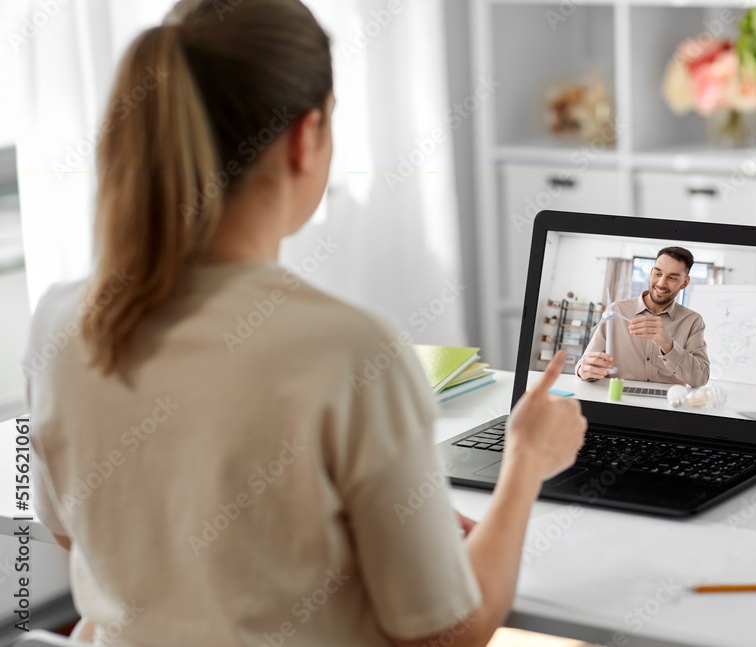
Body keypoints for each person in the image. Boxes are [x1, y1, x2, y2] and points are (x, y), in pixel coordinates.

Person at [22, 1, 587, 645]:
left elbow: (74, 532)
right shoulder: (349, 350)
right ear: (305, 135)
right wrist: (525, 465)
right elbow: (449, 636)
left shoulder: (59, 321)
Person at [576, 247, 710, 387]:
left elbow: (700, 379)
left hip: (668, 404)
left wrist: (668, 345)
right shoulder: (616, 310)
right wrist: (583, 370)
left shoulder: (693, 321)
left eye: (672, 278)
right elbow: (585, 363)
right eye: (658, 274)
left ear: (685, 283)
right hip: (618, 399)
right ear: (652, 272)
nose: (661, 283)